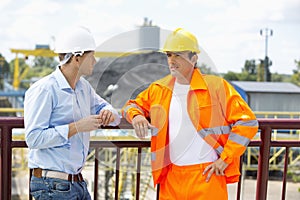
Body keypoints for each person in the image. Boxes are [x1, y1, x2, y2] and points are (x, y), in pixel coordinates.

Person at [122, 28, 258, 199]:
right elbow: (130, 105)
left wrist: (225, 159)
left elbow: (247, 122)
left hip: (207, 176)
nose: (172, 60)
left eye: (178, 55)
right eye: (169, 55)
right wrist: (137, 116)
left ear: (194, 58)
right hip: (171, 178)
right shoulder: (159, 89)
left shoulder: (216, 87)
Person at [24, 26, 121, 200]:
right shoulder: (45, 89)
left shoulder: (84, 88)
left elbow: (106, 108)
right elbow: (33, 138)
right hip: (51, 186)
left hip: (77, 184)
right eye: (92, 56)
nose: (95, 61)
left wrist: (108, 111)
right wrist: (77, 127)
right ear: (77, 59)